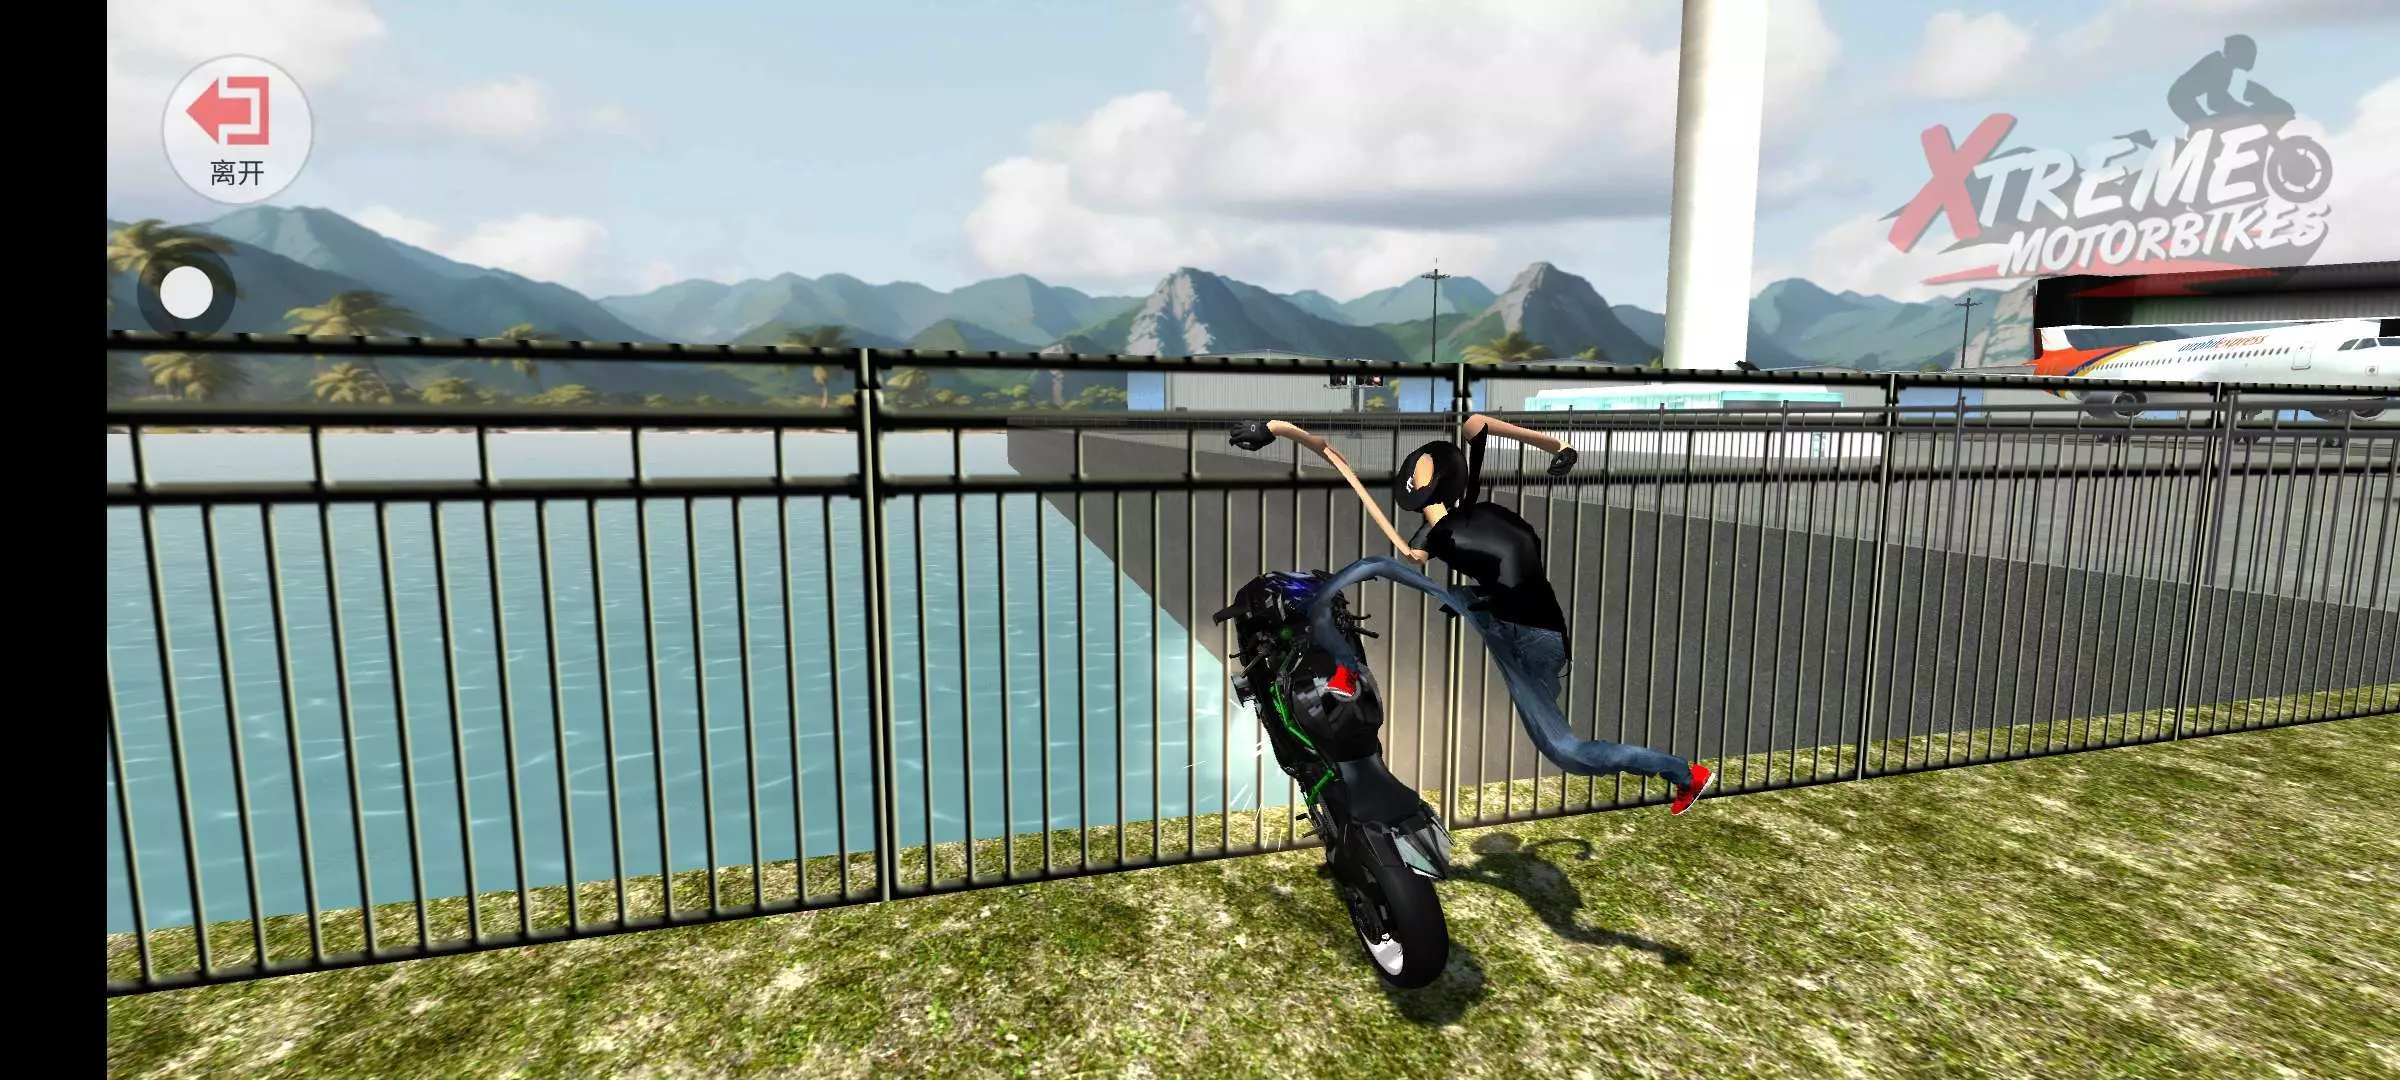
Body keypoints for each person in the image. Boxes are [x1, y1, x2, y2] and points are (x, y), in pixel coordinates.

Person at [1230, 415, 1714, 815]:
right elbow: (1462, 429)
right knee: (1530, 681)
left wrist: (1559, 447)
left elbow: (1462, 429)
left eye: (1423, 468)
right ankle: (1350, 665)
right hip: (1519, 622)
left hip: (1524, 629)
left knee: (1565, 750)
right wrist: (1557, 447)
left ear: (1439, 476)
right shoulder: (1454, 520)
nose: (1414, 473)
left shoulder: (1450, 527)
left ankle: (1683, 772)